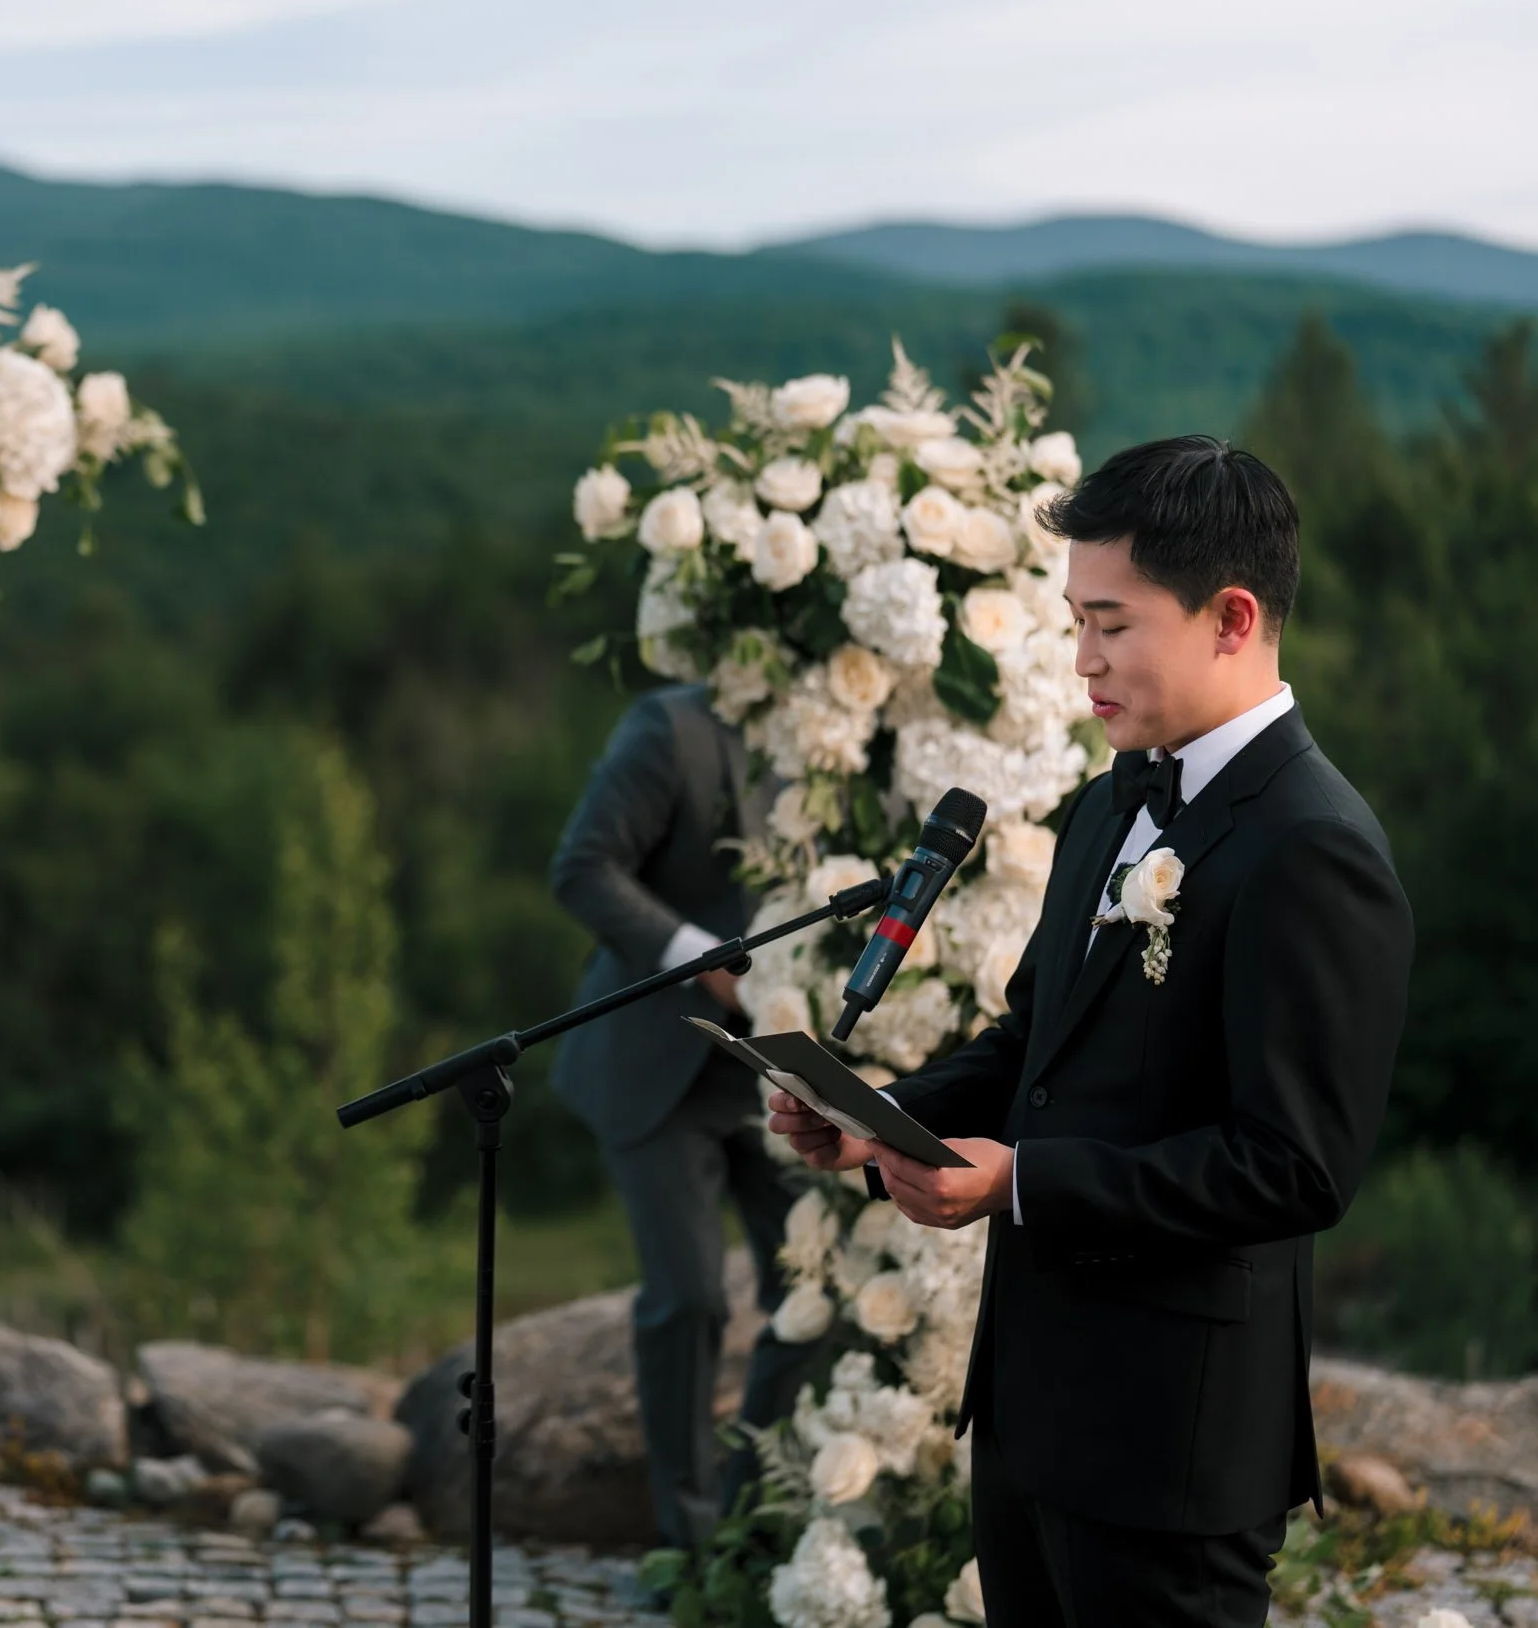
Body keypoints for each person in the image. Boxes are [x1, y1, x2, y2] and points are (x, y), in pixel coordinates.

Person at [772, 438, 1412, 1628]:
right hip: (1028, 1411)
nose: (1081, 662)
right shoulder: (1111, 799)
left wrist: (1023, 1184)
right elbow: (1036, 1044)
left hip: (1173, 1443)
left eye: (1111, 625)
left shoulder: (1313, 847)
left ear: (1230, 617)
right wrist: (880, 1119)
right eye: (1074, 621)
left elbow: (1296, 1163)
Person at [549, 681, 815, 1551]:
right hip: (655, 1057)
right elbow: (582, 868)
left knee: (816, 1293)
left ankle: (755, 1520)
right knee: (690, 1299)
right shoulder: (674, 729)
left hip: (780, 1067)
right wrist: (702, 961)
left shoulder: (878, 732)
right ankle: (688, 1543)